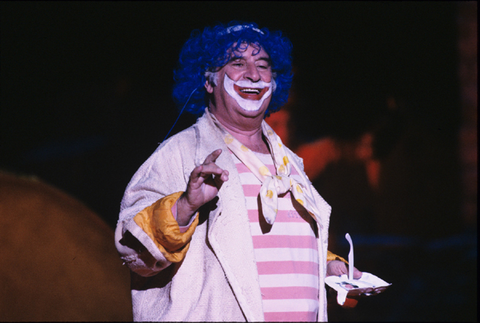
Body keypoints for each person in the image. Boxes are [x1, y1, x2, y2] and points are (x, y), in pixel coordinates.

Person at [115, 21, 361, 322]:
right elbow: (132, 252)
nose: (254, 74)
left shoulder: (289, 165)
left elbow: (274, 250)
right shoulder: (179, 155)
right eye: (237, 62)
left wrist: (327, 266)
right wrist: (185, 206)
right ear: (208, 80)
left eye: (263, 65)